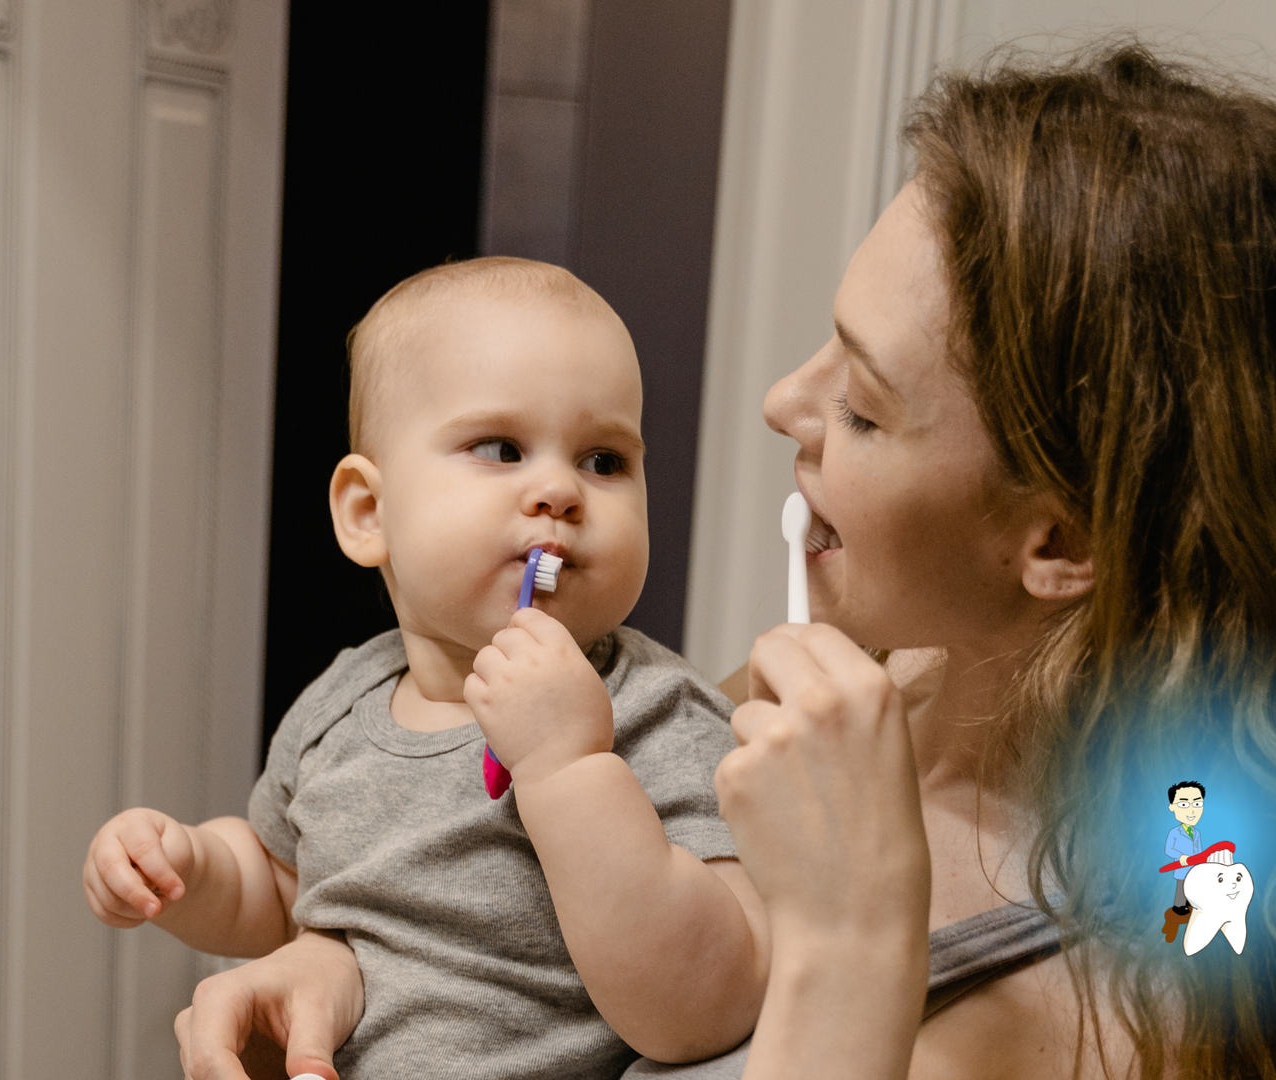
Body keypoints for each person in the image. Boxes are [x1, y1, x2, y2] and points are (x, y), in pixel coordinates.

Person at [172, 44, 1276, 1080]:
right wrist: (343, 969)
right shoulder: (816, 721)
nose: (786, 402)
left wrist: (845, 942)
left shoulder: (1175, 960)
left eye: (867, 408)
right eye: (822, 350)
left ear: (1057, 540)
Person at [84, 257, 768, 1080]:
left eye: (605, 461)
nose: (560, 488)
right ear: (369, 514)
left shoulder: (662, 713)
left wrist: (567, 768)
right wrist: (187, 866)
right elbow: (278, 888)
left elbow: (712, 1005)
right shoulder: (342, 702)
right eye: (502, 447)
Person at [1163, 781, 1206, 928]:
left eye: (1197, 804)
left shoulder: (1197, 833)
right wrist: (1180, 856)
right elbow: (1168, 849)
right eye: (1183, 805)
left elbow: (1199, 850)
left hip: (1195, 868)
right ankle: (1179, 907)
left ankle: (1192, 906)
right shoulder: (1174, 832)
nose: (1192, 811)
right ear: (1172, 807)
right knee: (1181, 889)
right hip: (1182, 868)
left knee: (1193, 888)